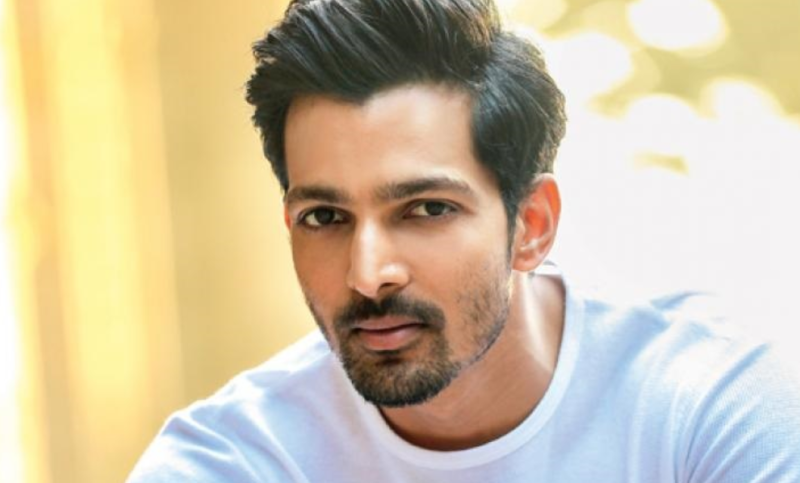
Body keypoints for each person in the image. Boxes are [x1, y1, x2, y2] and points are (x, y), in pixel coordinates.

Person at [128, 0, 800, 481]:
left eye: (425, 209)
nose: (368, 274)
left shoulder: (709, 412)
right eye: (326, 217)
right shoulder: (231, 460)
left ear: (531, 226)